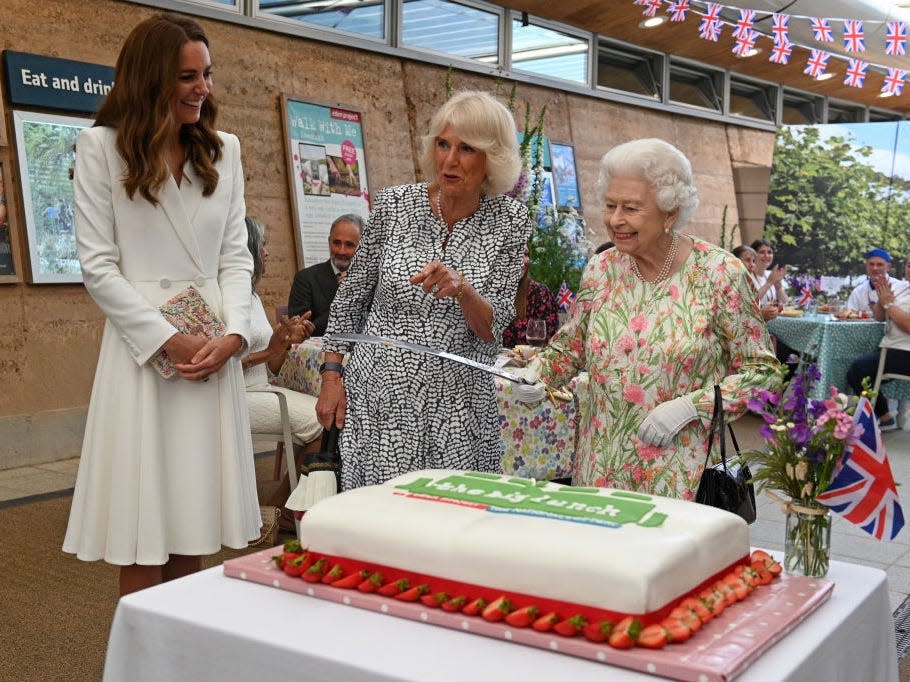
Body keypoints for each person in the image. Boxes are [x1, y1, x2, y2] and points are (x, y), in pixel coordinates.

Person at [62, 14, 261, 596]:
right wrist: (167, 339)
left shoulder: (224, 151)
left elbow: (236, 257)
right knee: (144, 528)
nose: (202, 88)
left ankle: (180, 655)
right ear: (150, 79)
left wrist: (234, 336)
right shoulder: (101, 148)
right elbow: (99, 267)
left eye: (207, 74)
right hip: (144, 354)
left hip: (211, 350)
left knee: (195, 519)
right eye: (186, 76)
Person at [520, 138, 782, 499]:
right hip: (599, 473)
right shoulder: (601, 268)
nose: (616, 220)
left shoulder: (719, 273)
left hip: (679, 481)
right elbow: (570, 347)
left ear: (670, 211)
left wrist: (692, 407)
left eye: (631, 208)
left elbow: (764, 374)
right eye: (610, 205)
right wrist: (539, 374)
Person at [316, 90, 532, 491]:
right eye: (443, 144)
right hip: (381, 400)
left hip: (459, 406)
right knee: (381, 522)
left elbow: (494, 329)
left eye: (466, 149)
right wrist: (332, 376)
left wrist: (464, 290)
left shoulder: (511, 220)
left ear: (493, 158)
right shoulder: (395, 205)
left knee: (450, 526)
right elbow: (351, 299)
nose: (449, 160)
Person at [242, 217, 322, 507]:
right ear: (248, 249)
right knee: (323, 419)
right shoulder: (227, 297)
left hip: (261, 388)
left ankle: (286, 506)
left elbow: (271, 368)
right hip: (238, 397)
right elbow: (223, 366)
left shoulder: (250, 295)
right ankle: (281, 509)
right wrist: (270, 350)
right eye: (262, 245)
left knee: (328, 412)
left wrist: (286, 341)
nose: (267, 253)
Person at [847, 257, 910, 432]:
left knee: (858, 370)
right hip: (891, 348)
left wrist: (889, 304)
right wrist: (882, 301)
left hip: (905, 351)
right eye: (909, 265)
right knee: (857, 369)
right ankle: (882, 415)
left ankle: (881, 415)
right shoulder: (902, 287)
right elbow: (879, 317)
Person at [287, 214, 363, 335]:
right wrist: (344, 298)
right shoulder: (306, 278)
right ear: (329, 242)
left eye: (349, 245)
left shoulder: (374, 281)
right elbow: (301, 332)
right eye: (336, 243)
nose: (341, 251)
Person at [504, 245, 559, 348]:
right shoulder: (486, 293)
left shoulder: (539, 293)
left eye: (525, 254)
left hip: (529, 362)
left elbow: (550, 340)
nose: (524, 260)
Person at [845, 248, 907, 313]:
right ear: (866, 266)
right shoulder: (858, 292)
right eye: (871, 264)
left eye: (880, 265)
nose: (875, 268)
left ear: (888, 267)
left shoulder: (901, 287)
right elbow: (849, 314)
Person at [733, 244, 779, 321]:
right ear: (735, 261)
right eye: (748, 260)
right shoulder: (731, 283)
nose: (752, 265)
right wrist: (761, 314)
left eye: (754, 261)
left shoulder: (747, 280)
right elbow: (736, 317)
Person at [750, 238, 787, 308]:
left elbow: (785, 302)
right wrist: (769, 283)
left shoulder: (770, 274)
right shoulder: (748, 276)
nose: (766, 255)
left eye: (769, 252)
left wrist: (778, 288)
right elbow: (751, 301)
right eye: (761, 252)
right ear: (753, 255)